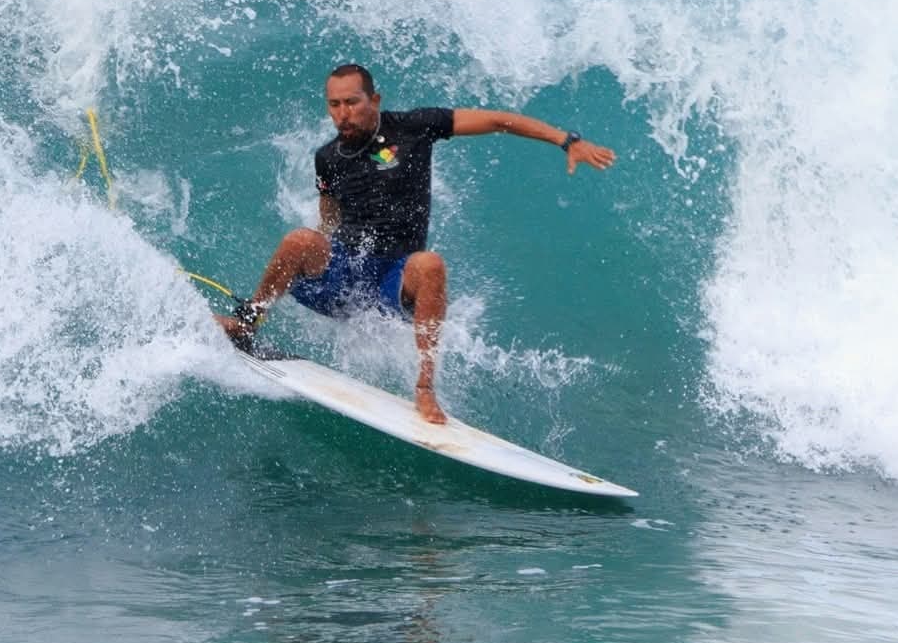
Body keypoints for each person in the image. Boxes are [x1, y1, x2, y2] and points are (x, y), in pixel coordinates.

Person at [219, 64, 615, 425]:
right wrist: (315, 257)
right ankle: (247, 322)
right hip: (344, 278)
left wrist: (566, 140)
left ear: (374, 100)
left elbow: (496, 121)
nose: (342, 113)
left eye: (352, 103)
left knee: (429, 264)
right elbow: (329, 217)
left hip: (392, 282)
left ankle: (425, 388)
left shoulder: (416, 127)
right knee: (299, 239)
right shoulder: (327, 158)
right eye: (334, 105)